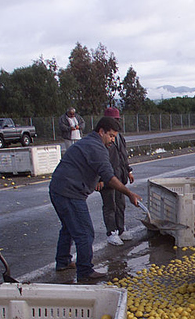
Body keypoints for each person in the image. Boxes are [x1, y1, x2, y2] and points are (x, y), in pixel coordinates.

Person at [49, 116, 142, 283]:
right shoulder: (96, 147)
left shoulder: (89, 142)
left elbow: (94, 167)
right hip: (69, 192)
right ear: (101, 132)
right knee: (84, 232)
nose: (113, 140)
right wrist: (129, 194)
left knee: (69, 228)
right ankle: (85, 271)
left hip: (59, 189)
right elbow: (109, 177)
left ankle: (63, 261)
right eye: (111, 136)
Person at [99, 107, 136, 245]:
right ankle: (112, 232)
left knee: (120, 203)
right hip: (107, 177)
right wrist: (100, 179)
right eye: (113, 120)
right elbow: (97, 161)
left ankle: (121, 229)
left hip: (120, 176)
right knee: (110, 205)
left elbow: (123, 156)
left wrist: (128, 171)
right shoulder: (102, 139)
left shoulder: (120, 137)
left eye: (117, 120)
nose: (116, 123)